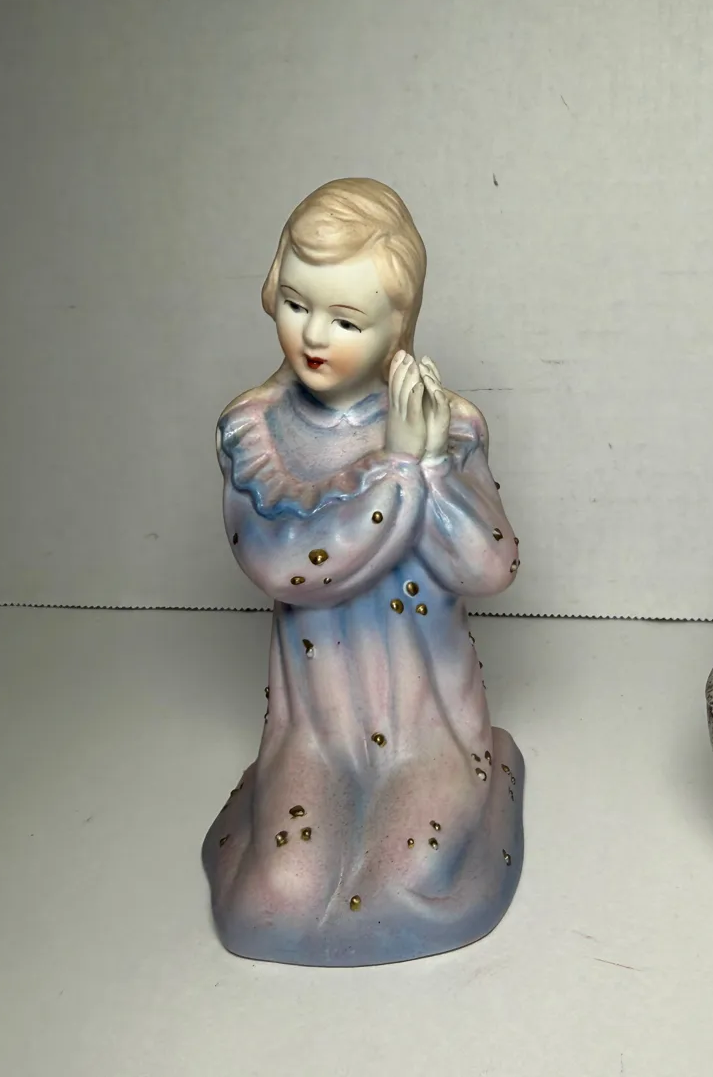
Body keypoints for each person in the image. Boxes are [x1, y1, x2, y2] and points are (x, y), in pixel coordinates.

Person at [203, 178, 524, 966]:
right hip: (315, 733)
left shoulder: (446, 423)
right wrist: (396, 470)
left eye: (346, 320)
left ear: (397, 326)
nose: (314, 334)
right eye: (296, 304)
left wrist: (431, 464)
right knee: (276, 897)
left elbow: (490, 565)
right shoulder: (255, 432)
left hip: (428, 730)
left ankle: (495, 773)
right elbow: (286, 565)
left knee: (412, 880)